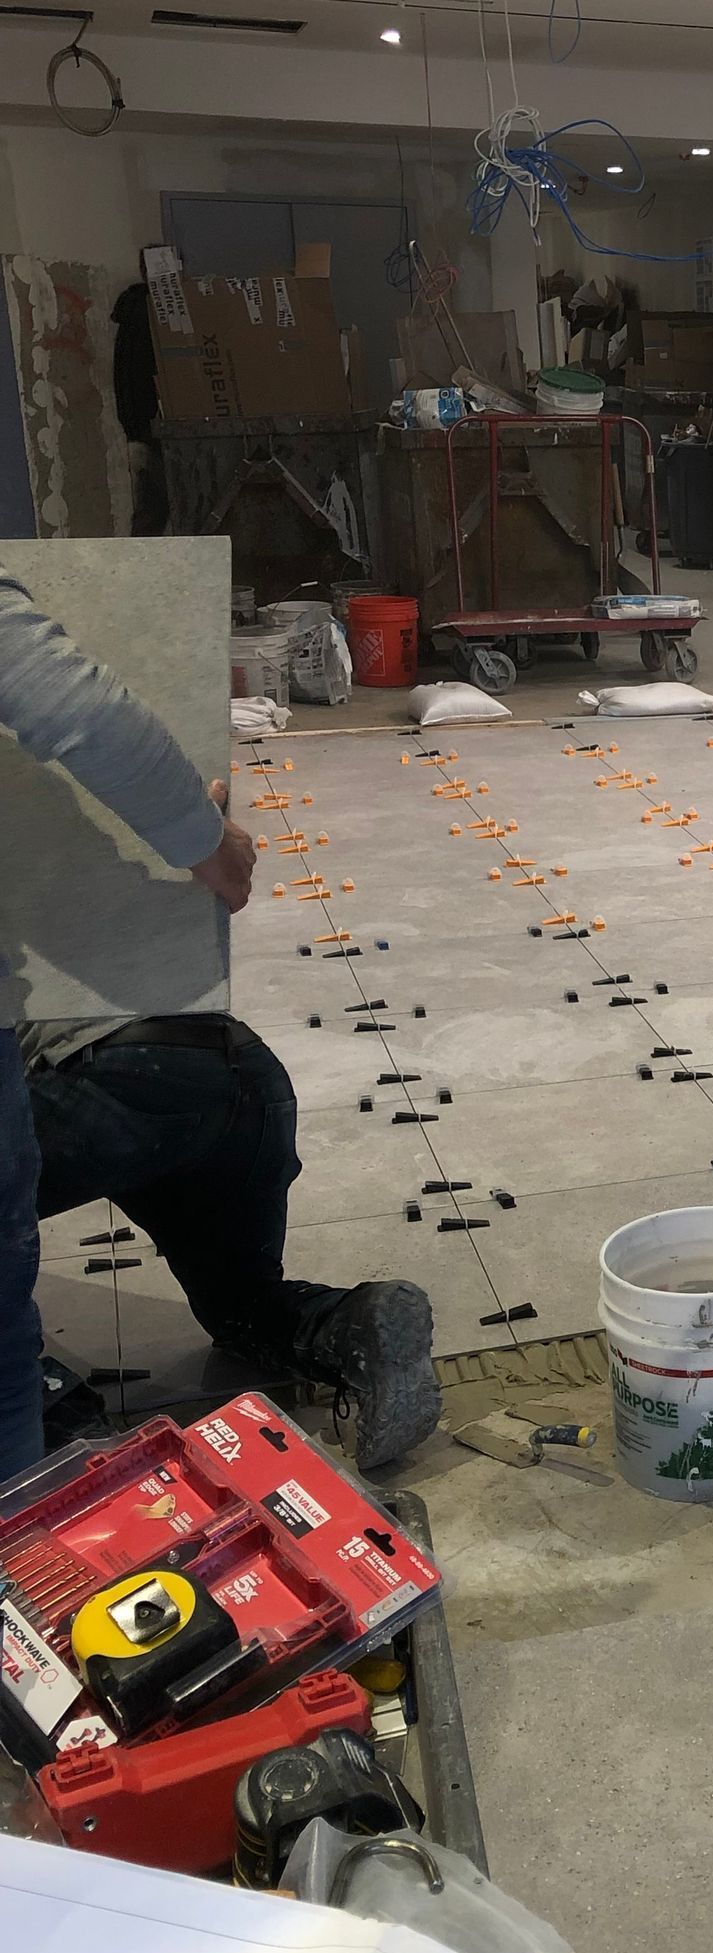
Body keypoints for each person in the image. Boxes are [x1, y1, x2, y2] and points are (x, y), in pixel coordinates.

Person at [1, 569, 438, 1482]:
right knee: (242, 1308)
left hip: (86, 1097)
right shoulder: (65, 817)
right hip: (228, 1075)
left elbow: (64, 700)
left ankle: (52, 1416)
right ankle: (348, 1326)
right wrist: (199, 831)